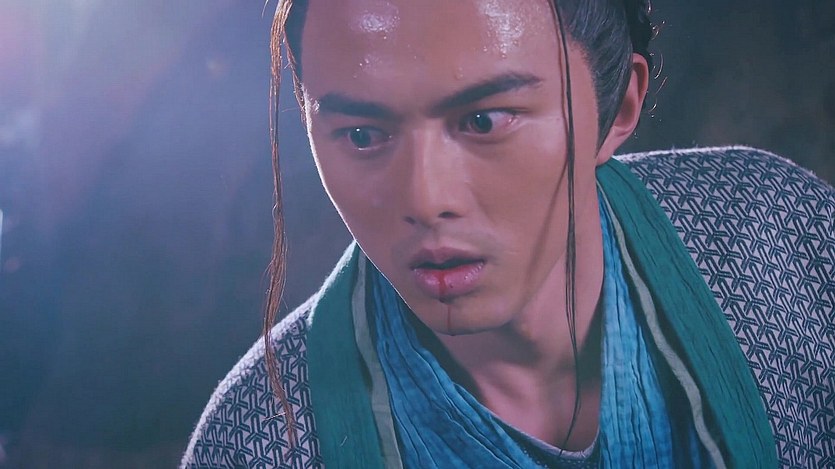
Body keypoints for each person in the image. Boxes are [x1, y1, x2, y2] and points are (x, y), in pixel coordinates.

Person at [182, 0, 834, 467]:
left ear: (618, 107)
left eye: (485, 121)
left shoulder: (777, 235)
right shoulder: (259, 442)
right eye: (361, 134)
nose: (425, 199)